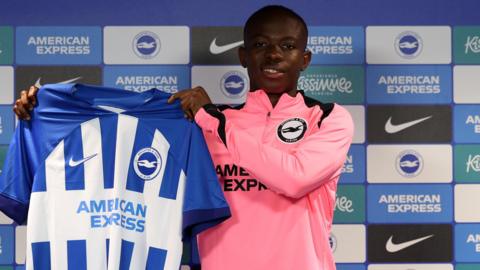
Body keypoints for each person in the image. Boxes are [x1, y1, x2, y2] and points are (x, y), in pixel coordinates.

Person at [14, 5, 354, 270]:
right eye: (261, 44)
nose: (274, 55)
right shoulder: (199, 125)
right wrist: (39, 114)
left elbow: (294, 179)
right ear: (243, 55)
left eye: (288, 46)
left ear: (305, 59)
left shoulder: (328, 118)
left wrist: (212, 120)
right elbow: (120, 141)